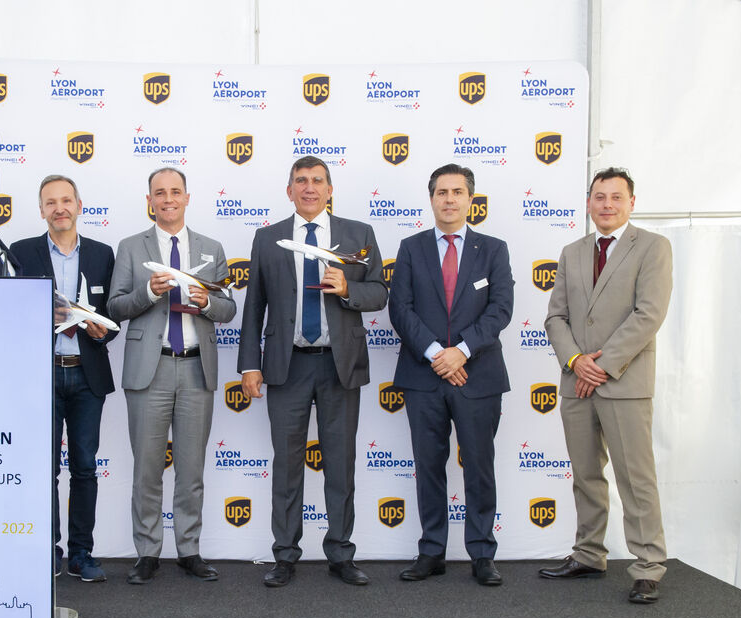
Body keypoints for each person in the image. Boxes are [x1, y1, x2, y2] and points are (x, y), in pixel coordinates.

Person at [238, 156, 387, 587]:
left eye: (317, 180)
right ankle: (285, 555)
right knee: (287, 465)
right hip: (287, 366)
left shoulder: (358, 234)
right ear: (289, 191)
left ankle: (340, 553)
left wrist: (349, 288)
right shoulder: (268, 238)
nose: (309, 187)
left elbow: (379, 293)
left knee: (340, 464)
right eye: (301, 181)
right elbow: (254, 306)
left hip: (340, 365)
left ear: (329, 189)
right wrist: (249, 364)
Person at [541, 167, 673, 604]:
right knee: (585, 474)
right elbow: (555, 317)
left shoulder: (653, 247)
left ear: (632, 203)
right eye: (599, 196)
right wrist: (576, 362)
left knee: (635, 478)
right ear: (588, 202)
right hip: (577, 382)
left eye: (616, 197)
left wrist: (602, 365)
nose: (607, 204)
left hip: (624, 383)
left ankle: (648, 565)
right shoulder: (572, 252)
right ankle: (588, 554)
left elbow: (648, 314)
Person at [107, 167, 236, 585]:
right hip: (151, 368)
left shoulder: (211, 248)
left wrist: (205, 302)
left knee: (191, 469)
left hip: (197, 367)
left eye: (175, 192)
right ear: (150, 200)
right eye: (159, 193)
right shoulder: (130, 248)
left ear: (187, 198)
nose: (168, 199)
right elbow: (115, 308)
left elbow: (228, 308)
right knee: (147, 468)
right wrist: (149, 292)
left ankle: (189, 550)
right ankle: (147, 552)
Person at [388, 164, 513, 586]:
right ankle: (432, 551)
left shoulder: (493, 250)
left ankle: (482, 553)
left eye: (457, 192)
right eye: (441, 192)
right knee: (428, 466)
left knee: (479, 466)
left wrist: (460, 353)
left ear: (470, 199)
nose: (449, 199)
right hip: (423, 377)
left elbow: (500, 310)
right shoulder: (411, 248)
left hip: (478, 376)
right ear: (431, 199)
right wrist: (436, 355)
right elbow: (400, 309)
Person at [9, 175, 116, 582]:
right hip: (41, 375)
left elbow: (114, 315)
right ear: (41, 210)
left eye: (66, 200)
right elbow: (9, 313)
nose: (60, 208)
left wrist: (101, 331)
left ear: (79, 205)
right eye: (51, 202)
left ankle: (81, 554)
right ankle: (48, 550)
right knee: (45, 469)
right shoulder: (21, 253)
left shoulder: (103, 254)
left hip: (88, 377)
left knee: (85, 467)